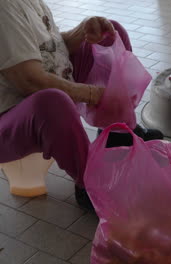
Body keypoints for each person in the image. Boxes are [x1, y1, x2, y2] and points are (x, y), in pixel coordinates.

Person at [0, 0, 162, 211]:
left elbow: (49, 47)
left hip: (43, 94)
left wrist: (84, 30)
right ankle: (89, 183)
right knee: (52, 102)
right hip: (11, 117)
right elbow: (30, 81)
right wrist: (95, 94)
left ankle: (118, 130)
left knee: (110, 32)